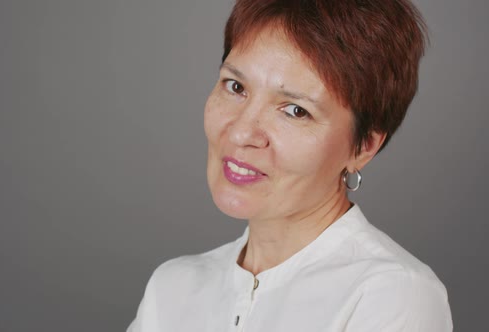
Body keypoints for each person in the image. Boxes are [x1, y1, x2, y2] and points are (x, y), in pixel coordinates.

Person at [128, 0, 453, 331]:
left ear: (363, 146)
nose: (241, 132)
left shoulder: (390, 295)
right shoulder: (171, 288)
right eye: (236, 86)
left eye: (296, 110)